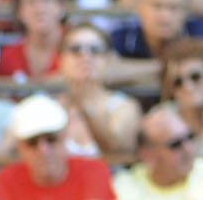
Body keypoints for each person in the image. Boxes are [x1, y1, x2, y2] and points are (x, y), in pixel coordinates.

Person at [58, 17, 141, 155]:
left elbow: (119, 151)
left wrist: (85, 106)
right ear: (61, 59)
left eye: (95, 50)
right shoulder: (50, 107)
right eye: (75, 49)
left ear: (107, 60)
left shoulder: (126, 106)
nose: (85, 56)